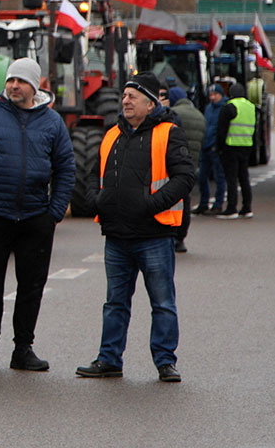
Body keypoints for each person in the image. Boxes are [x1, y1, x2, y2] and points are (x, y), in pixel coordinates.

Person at [0, 57, 75, 372]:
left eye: (21, 81)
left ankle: (23, 349)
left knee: (31, 286)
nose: (13, 86)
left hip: (36, 218)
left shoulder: (52, 123)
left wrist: (54, 213)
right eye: (10, 80)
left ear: (34, 86)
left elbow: (66, 168)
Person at [77, 73, 195, 383]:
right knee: (115, 303)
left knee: (162, 302)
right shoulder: (111, 134)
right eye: (125, 96)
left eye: (133, 96)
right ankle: (109, 359)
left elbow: (184, 178)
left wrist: (151, 205)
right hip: (116, 236)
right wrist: (95, 201)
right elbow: (93, 174)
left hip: (154, 235)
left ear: (150, 101)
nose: (125, 100)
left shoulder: (169, 133)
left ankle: (165, 362)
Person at [165, 85, 205, 253]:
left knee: (171, 199)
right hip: (192, 162)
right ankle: (181, 238)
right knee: (186, 199)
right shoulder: (199, 115)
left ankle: (171, 235)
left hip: (174, 162)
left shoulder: (173, 114)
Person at [217, 82, 258, 218]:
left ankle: (231, 208)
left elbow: (221, 130)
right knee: (244, 178)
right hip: (246, 146)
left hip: (231, 146)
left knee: (231, 179)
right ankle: (247, 207)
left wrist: (220, 148)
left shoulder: (229, 107)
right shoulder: (251, 107)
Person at [198, 82, 228, 215]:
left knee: (219, 177)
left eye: (215, 94)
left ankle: (218, 203)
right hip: (205, 146)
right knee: (201, 176)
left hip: (216, 147)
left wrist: (218, 145)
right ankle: (203, 203)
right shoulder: (208, 108)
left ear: (221, 95)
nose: (212, 97)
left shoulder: (225, 108)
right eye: (210, 94)